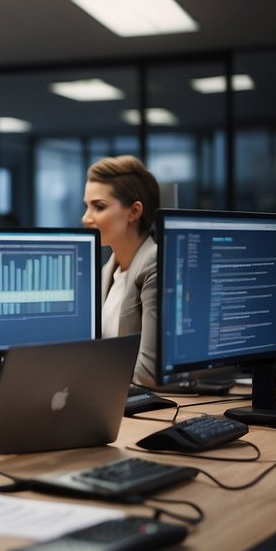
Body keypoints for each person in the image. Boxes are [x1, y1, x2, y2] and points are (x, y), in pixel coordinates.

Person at [82, 154, 160, 387]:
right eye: (86, 206)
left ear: (134, 212)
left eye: (99, 207)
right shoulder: (108, 270)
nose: (86, 218)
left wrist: (82, 373)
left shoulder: (154, 264)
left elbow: (148, 371)